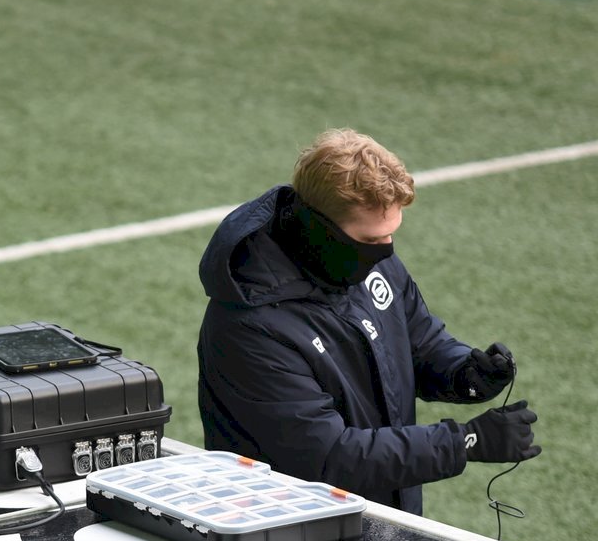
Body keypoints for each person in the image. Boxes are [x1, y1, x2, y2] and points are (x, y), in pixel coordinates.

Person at [196, 128, 540, 514]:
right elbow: (327, 457)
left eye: (391, 235)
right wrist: (463, 442)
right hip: (290, 531)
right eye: (372, 240)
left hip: (380, 519)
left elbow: (419, 343)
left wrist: (466, 374)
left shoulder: (361, 263)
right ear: (320, 230)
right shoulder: (251, 327)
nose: (386, 251)